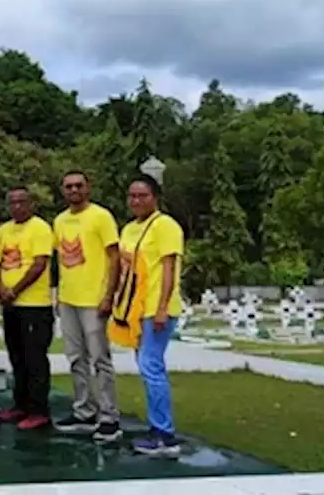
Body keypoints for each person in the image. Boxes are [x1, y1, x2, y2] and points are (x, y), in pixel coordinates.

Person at [52, 170, 123, 442]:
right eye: (68, 186)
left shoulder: (101, 217)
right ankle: (84, 410)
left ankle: (109, 416)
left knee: (99, 358)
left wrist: (109, 295)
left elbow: (114, 258)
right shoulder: (60, 221)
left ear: (88, 188)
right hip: (69, 299)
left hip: (94, 299)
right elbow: (60, 261)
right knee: (74, 357)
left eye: (78, 185)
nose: (73, 190)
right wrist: (58, 295)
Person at [119, 174, 185, 457]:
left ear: (155, 198)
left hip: (158, 310)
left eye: (142, 195)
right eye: (132, 196)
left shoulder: (165, 226)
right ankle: (157, 428)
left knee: (151, 368)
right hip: (136, 309)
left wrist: (161, 308)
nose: (136, 201)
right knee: (148, 369)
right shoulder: (129, 230)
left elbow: (169, 269)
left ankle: (165, 436)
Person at [0, 186, 55, 431]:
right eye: (12, 202)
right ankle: (20, 404)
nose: (17, 206)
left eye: (22, 202)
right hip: (11, 306)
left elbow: (39, 264)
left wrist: (15, 289)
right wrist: (0, 288)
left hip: (35, 305)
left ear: (31, 204)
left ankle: (39, 410)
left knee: (35, 359)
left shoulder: (40, 228)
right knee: (16, 356)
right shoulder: (3, 230)